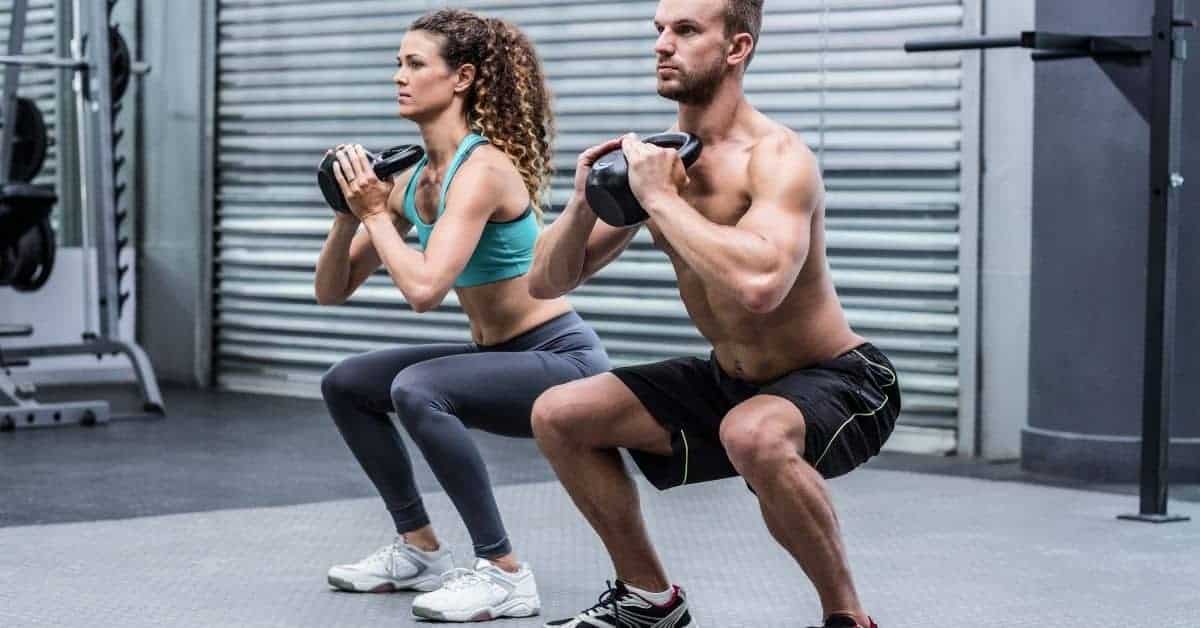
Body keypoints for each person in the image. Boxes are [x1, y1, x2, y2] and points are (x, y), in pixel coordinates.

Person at [527, 1, 899, 626]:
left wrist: (656, 198)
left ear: (737, 48)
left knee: (752, 432)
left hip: (843, 380)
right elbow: (547, 282)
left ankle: (848, 617)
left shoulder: (776, 157)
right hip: (731, 380)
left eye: (687, 30)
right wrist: (583, 203)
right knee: (560, 414)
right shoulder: (658, 164)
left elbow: (760, 285)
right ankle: (649, 600)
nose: (663, 45)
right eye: (660, 31)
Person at [313, 8, 610, 623]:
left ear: (462, 78)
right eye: (398, 62)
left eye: (415, 64)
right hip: (499, 357)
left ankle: (504, 572)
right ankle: (419, 547)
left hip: (558, 360)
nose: (399, 76)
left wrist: (373, 215)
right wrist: (349, 215)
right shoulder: (413, 178)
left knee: (418, 388)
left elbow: (423, 291)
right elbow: (332, 290)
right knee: (346, 382)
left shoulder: (483, 171)